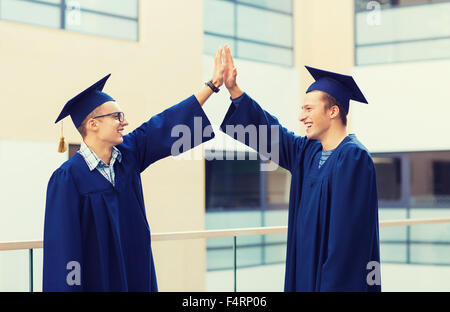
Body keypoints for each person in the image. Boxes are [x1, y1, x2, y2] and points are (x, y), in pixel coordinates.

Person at [43, 47, 226, 291]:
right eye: (117, 116)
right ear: (93, 124)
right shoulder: (68, 178)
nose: (124, 122)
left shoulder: (129, 155)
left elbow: (164, 123)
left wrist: (212, 85)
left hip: (136, 276)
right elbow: (64, 252)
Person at [220, 45, 381, 291]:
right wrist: (234, 90)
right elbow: (271, 134)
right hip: (305, 274)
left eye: (308, 109)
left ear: (333, 111)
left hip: (332, 283)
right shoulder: (308, 151)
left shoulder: (353, 158)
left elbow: (347, 244)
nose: (301, 116)